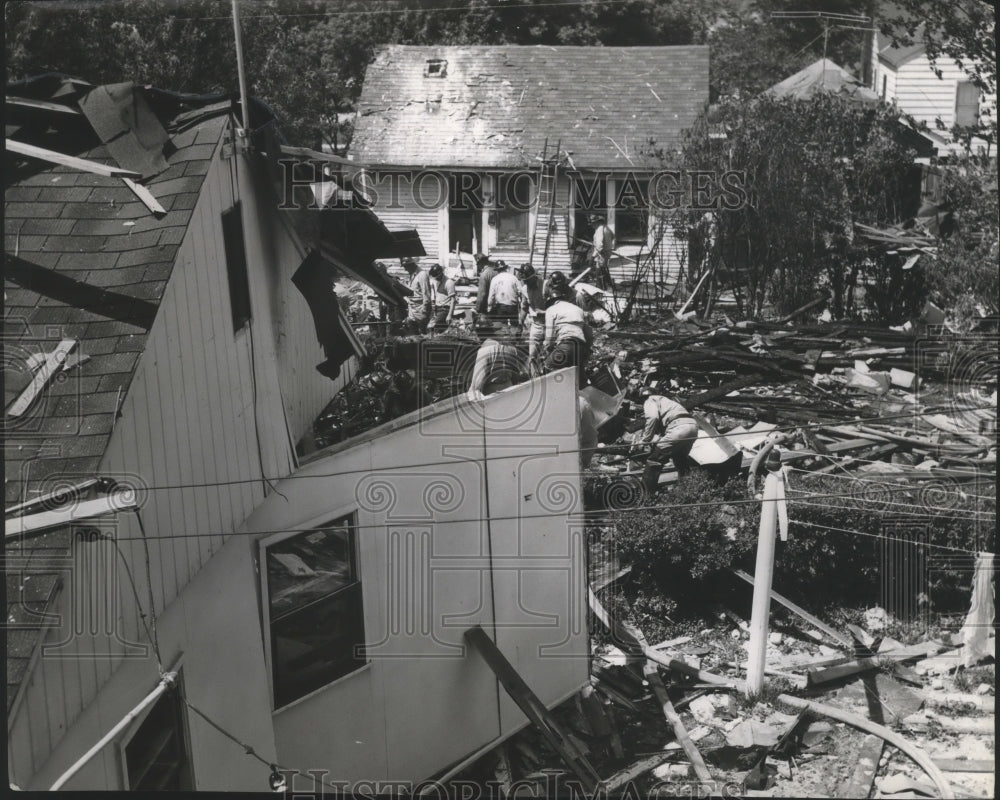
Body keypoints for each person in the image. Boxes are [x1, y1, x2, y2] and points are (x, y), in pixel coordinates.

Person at [637, 393, 699, 496]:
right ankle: (688, 491)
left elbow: (653, 418)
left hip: (679, 428)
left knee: (654, 460)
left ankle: (645, 496)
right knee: (680, 459)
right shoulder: (667, 402)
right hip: (692, 427)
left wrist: (645, 441)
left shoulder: (650, 400)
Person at [542, 272, 592, 388]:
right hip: (581, 346)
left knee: (548, 367)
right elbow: (588, 332)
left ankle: (555, 397)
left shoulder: (551, 310)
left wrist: (547, 350)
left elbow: (549, 338)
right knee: (579, 377)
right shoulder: (576, 309)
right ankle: (583, 398)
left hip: (566, 344)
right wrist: (587, 349)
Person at [467, 322, 527, 401]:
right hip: (509, 387)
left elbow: (478, 379)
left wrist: (472, 393)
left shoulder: (485, 350)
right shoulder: (511, 348)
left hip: (492, 391)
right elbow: (515, 374)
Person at [517, 264, 546, 374]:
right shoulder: (525, 289)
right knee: (532, 354)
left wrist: (545, 312)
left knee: (549, 352)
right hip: (536, 324)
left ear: (534, 277)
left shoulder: (545, 285)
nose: (526, 283)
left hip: (550, 323)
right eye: (524, 280)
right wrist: (520, 322)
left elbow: (557, 305)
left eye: (528, 280)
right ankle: (535, 377)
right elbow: (524, 307)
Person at [401, 258, 432, 333]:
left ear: (411, 265)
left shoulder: (422, 275)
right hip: (412, 309)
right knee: (413, 333)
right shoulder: (412, 274)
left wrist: (424, 311)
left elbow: (426, 294)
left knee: (422, 333)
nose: (405, 270)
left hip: (420, 310)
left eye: (406, 267)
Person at [487, 260, 521, 327]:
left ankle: (505, 335)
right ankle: (514, 336)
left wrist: (489, 307)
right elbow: (520, 291)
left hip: (501, 306)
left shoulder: (495, 279)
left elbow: (491, 295)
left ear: (497, 270)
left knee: (502, 325)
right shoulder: (513, 278)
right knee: (514, 325)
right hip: (513, 305)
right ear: (505, 268)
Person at [427, 263, 456, 332]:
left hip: (445, 309)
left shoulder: (449, 283)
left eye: (437, 276)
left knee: (436, 328)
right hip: (437, 308)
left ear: (440, 274)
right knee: (430, 328)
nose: (436, 278)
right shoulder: (435, 281)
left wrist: (449, 315)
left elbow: (453, 300)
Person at [590, 214, 614, 289]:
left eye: (593, 223)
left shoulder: (599, 230)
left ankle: (601, 288)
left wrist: (593, 256)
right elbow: (613, 237)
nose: (592, 225)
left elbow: (599, 245)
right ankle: (609, 285)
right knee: (603, 269)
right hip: (607, 252)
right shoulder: (606, 228)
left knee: (599, 271)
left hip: (602, 254)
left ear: (597, 222)